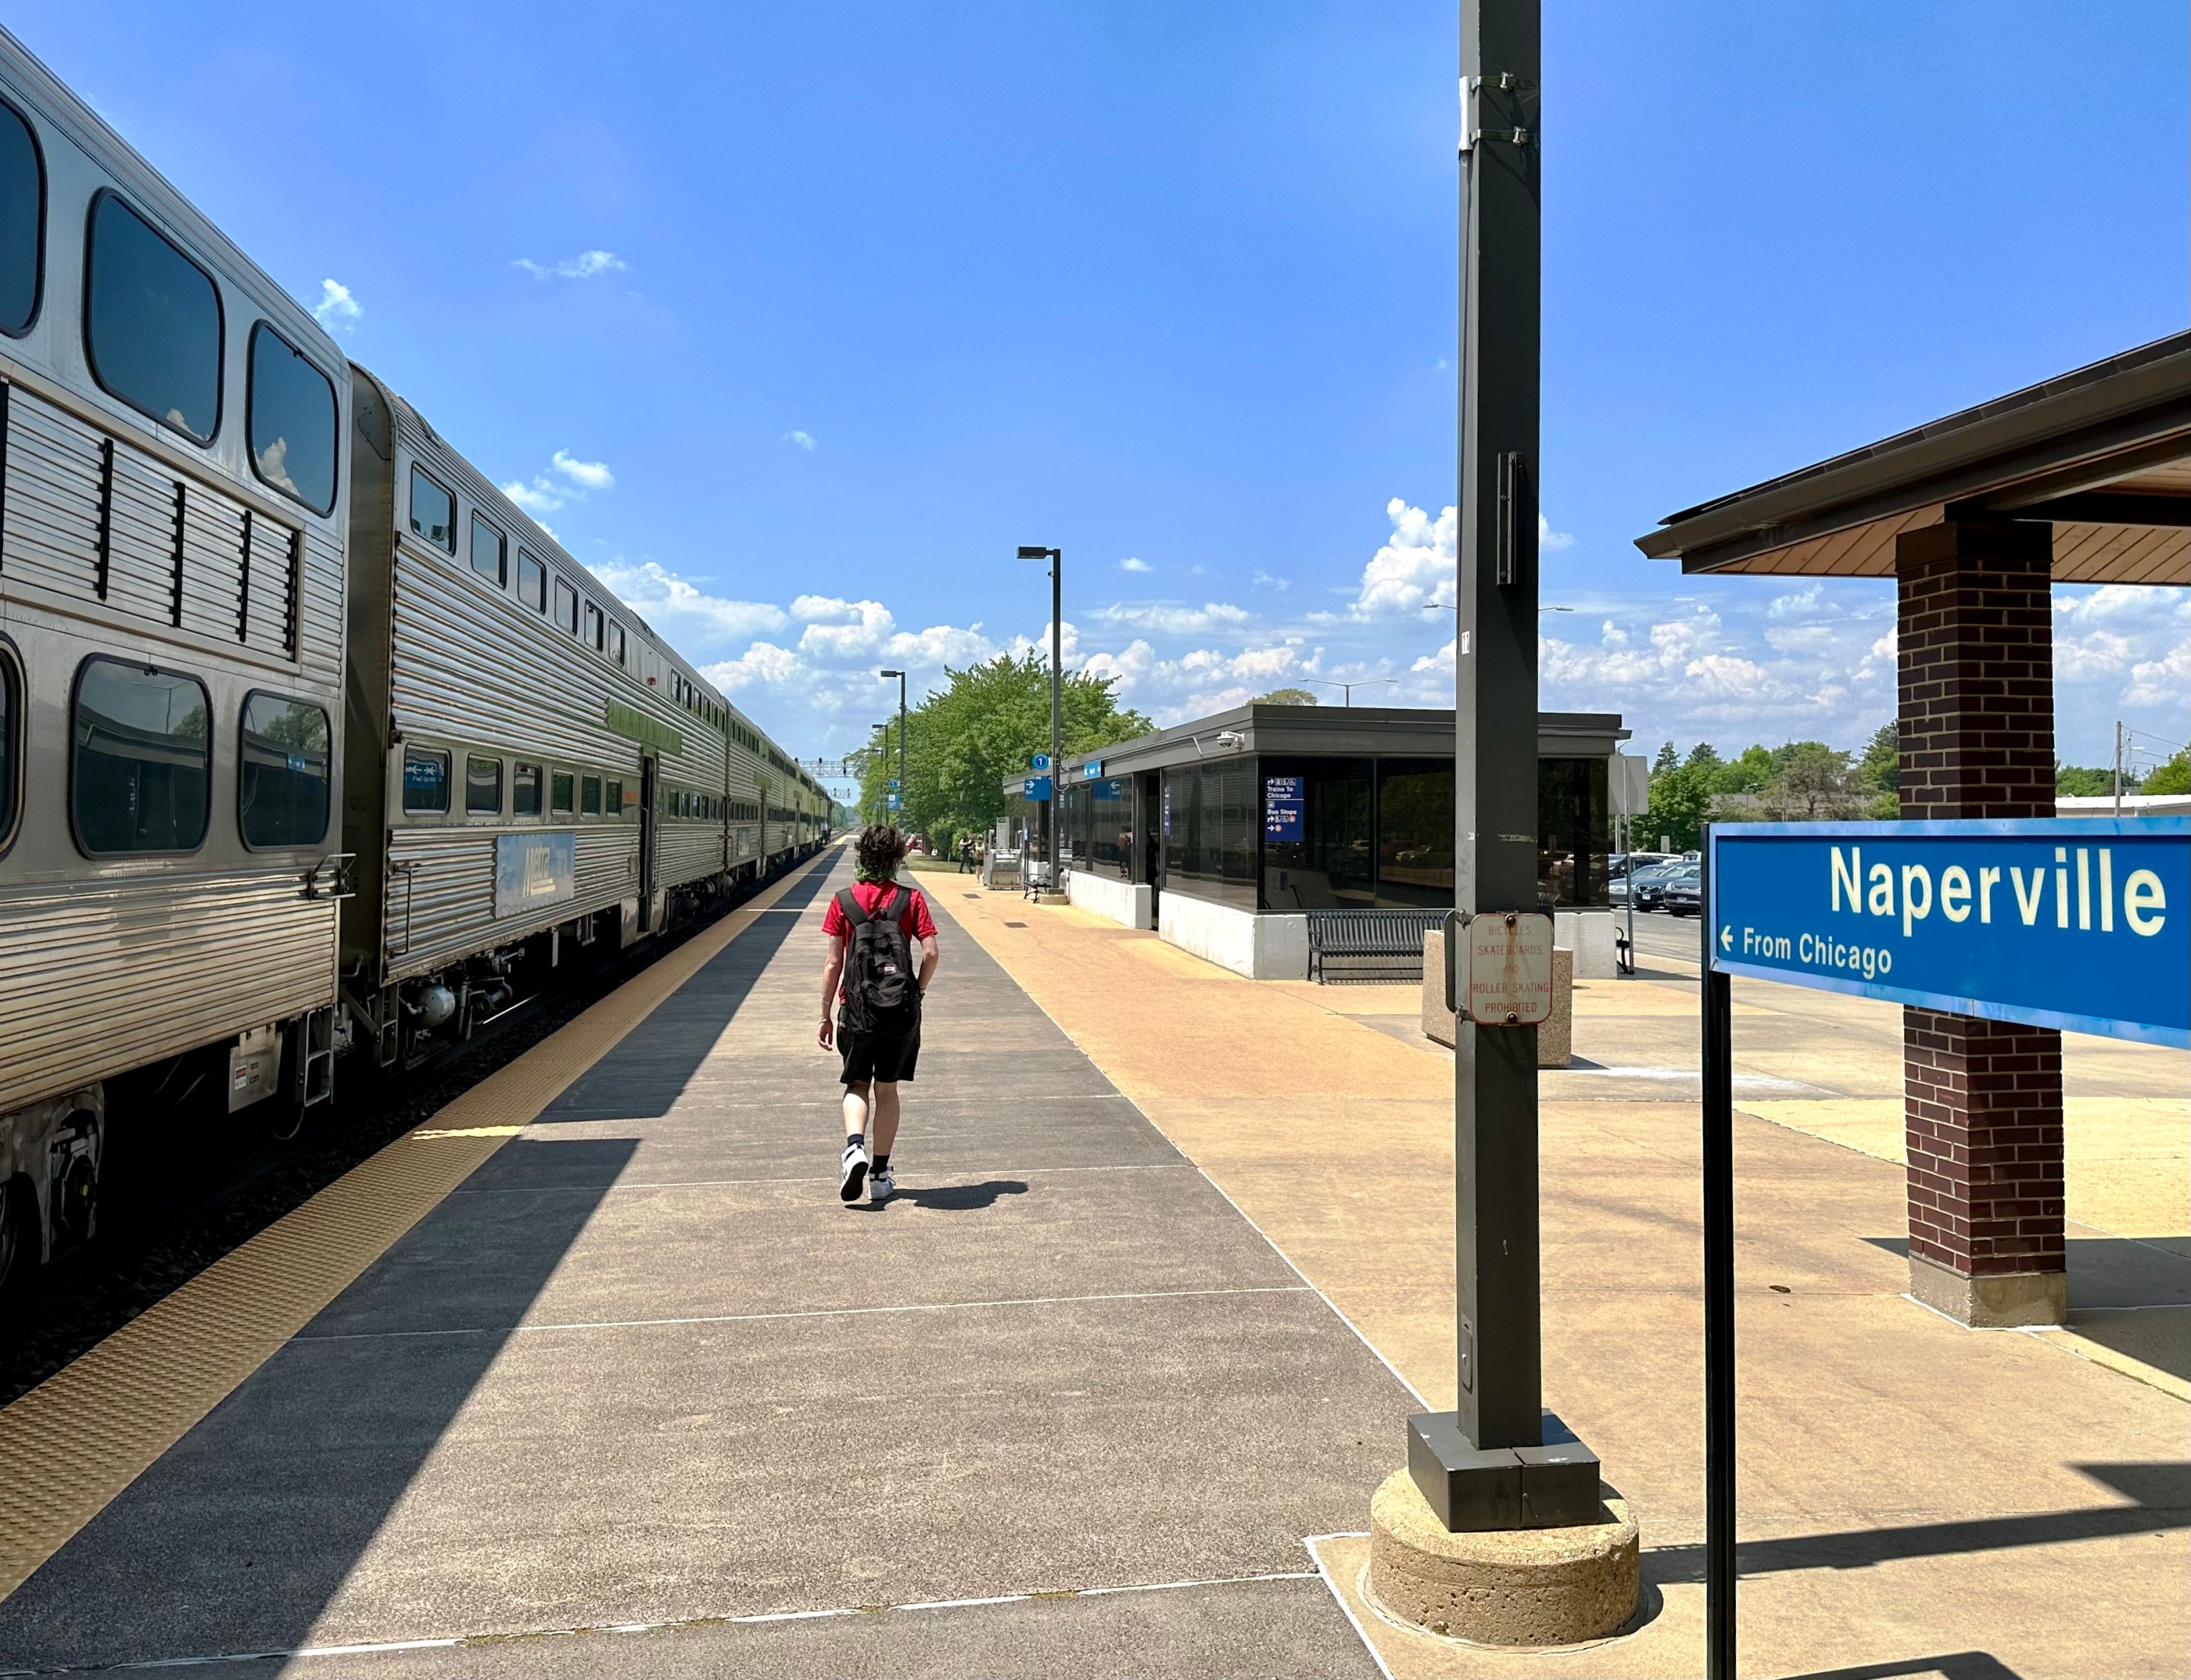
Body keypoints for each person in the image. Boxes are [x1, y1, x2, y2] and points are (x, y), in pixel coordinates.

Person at [819, 824, 939, 1204]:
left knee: (857, 1084)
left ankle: (855, 1148)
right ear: (898, 859)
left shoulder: (844, 900)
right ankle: (881, 1175)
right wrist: (917, 992)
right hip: (900, 1012)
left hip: (856, 1011)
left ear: (861, 856)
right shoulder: (911, 900)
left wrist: (824, 1013)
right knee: (887, 1088)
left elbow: (834, 961)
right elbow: (932, 953)